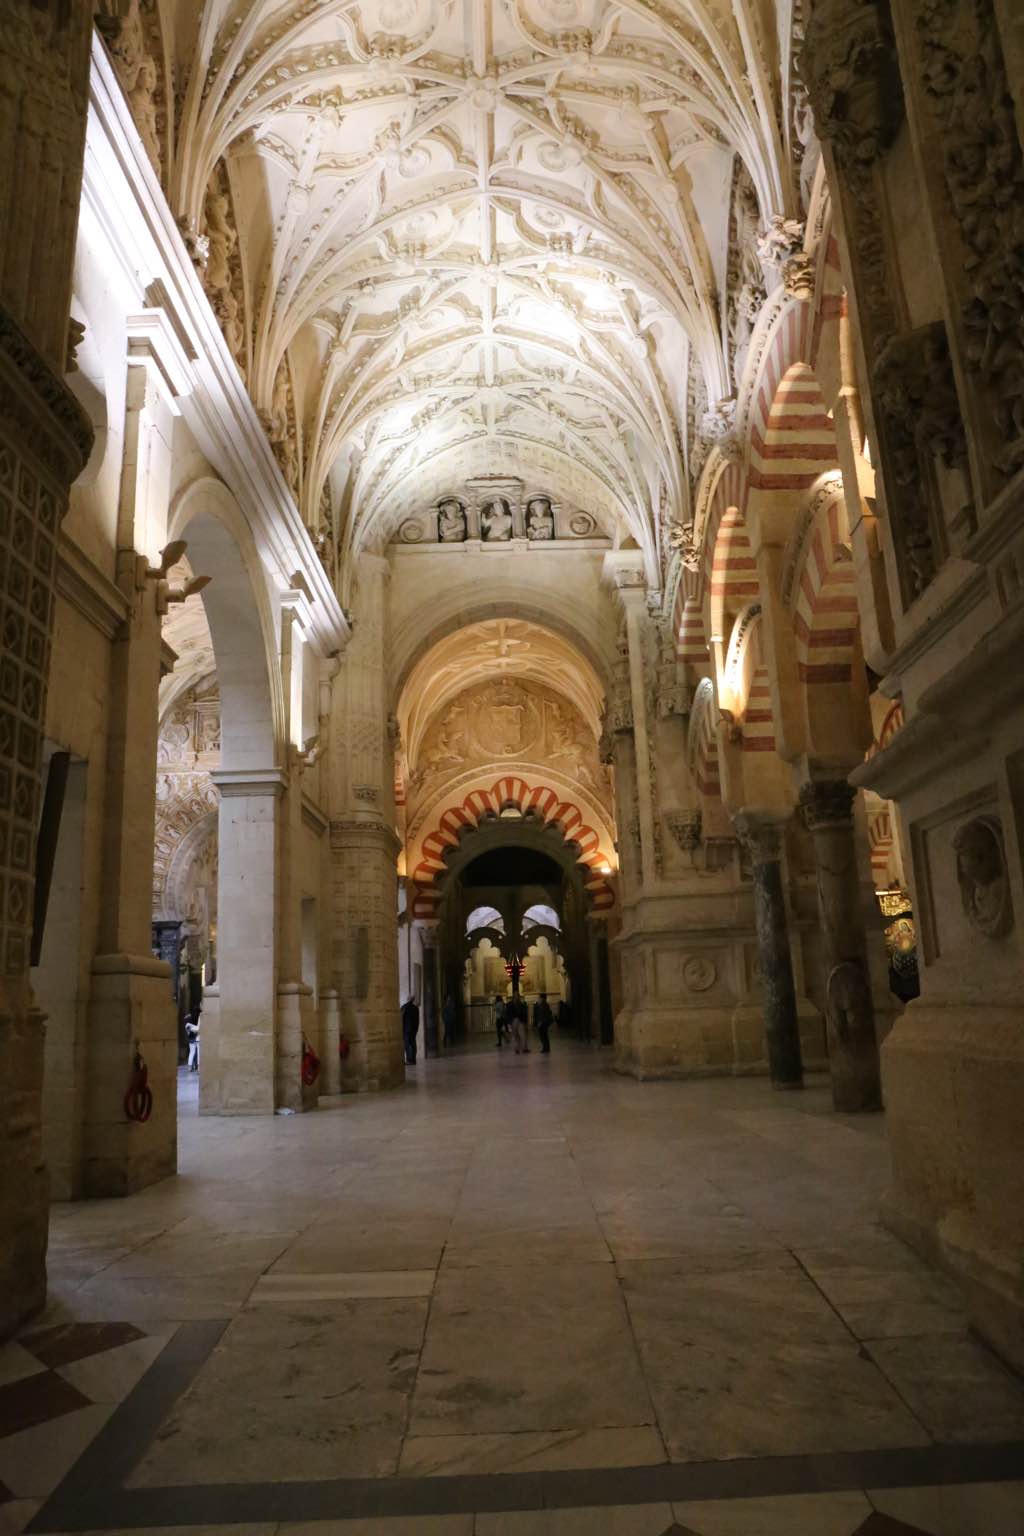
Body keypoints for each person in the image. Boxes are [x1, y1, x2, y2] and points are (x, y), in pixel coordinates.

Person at [401, 996, 420, 1065]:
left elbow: (401, 1019)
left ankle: (409, 1060)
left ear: (408, 999)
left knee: (407, 1045)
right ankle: (413, 1059)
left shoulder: (404, 1007)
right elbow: (417, 1020)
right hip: (414, 1029)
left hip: (406, 1030)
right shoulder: (416, 1008)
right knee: (413, 1044)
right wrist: (416, 1029)